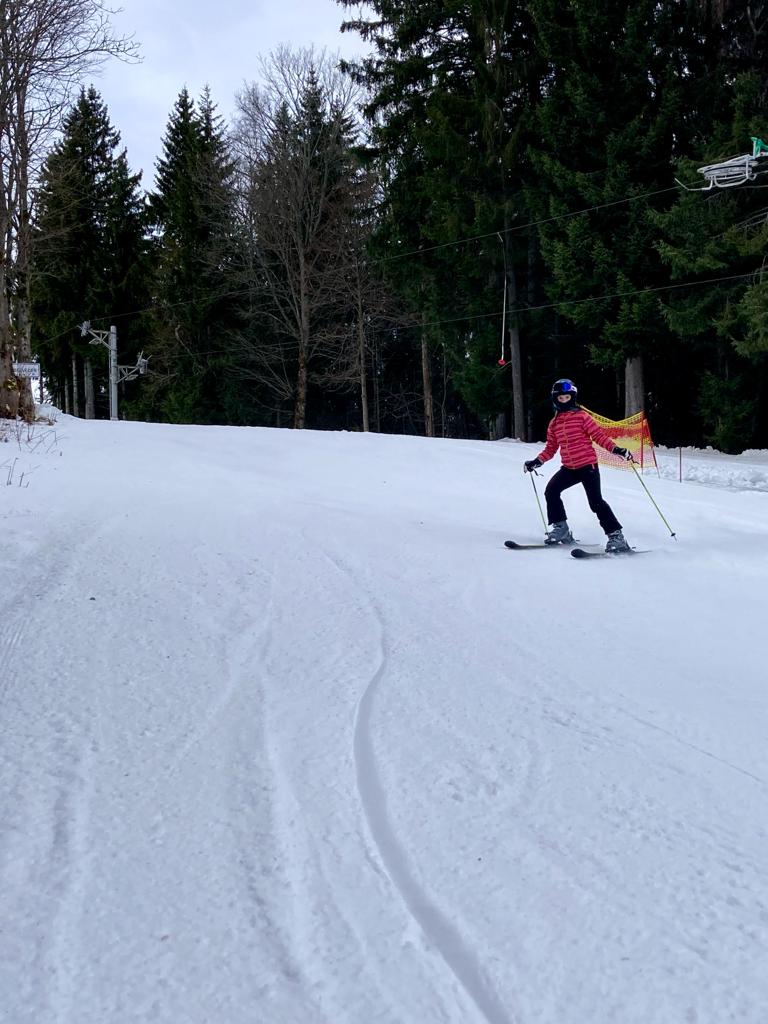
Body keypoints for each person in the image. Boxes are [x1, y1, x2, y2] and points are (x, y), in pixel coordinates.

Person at [524, 378, 634, 552]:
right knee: (551, 491)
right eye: (560, 398)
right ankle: (561, 529)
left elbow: (599, 436)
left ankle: (616, 537)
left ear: (572, 397)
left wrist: (616, 449)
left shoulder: (582, 417)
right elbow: (551, 448)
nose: (564, 401)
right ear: (555, 399)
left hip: (587, 466)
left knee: (595, 502)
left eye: (567, 397)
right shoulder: (554, 424)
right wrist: (537, 461)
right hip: (569, 468)